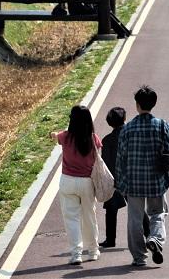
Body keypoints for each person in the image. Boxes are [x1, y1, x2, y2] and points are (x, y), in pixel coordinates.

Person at [116, 86, 169, 268]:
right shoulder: (163, 126)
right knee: (158, 214)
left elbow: (121, 158)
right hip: (156, 180)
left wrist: (120, 182)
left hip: (133, 181)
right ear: (154, 104)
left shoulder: (127, 130)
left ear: (137, 105)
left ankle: (139, 257)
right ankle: (155, 239)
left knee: (134, 219)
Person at [54, 106, 104, 264]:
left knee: (72, 219)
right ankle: (93, 251)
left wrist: (53, 133)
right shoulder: (93, 138)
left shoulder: (66, 136)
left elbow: (55, 136)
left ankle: (76, 254)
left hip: (67, 181)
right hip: (87, 182)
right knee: (90, 216)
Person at [99, 107, 128, 249]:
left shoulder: (107, 140)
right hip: (130, 177)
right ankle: (148, 234)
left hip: (114, 179)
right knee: (137, 209)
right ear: (124, 119)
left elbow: (105, 163)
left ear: (109, 123)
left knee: (111, 210)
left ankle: (110, 240)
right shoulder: (130, 135)